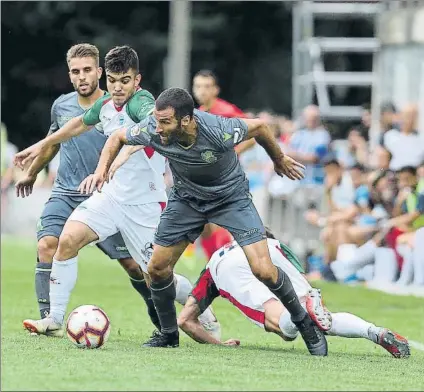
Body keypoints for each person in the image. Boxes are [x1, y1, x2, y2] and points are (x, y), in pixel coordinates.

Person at [87, 87, 328, 355]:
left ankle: (304, 322)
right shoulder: (152, 129)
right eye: (156, 121)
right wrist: (101, 170)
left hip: (231, 199)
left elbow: (260, 127)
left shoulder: (218, 129)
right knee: (156, 268)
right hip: (187, 200)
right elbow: (117, 138)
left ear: (187, 120)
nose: (158, 128)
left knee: (263, 270)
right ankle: (168, 335)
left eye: (165, 122)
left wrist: (278, 159)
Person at [16, 47, 219, 337]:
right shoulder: (107, 104)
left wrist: (120, 157)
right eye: (112, 80)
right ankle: (54, 318)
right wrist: (38, 146)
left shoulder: (143, 102)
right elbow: (76, 125)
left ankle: (202, 306)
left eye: (125, 80)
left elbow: (152, 127)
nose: (117, 87)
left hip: (144, 203)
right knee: (67, 239)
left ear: (137, 80)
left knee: (156, 274)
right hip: (110, 197)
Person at [13, 44, 155, 330]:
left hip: (107, 196)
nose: (82, 77)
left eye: (88, 70)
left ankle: (160, 316)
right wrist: (32, 172)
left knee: (135, 266)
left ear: (100, 72)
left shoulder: (118, 105)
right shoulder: (61, 106)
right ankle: (48, 318)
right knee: (47, 245)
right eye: (76, 72)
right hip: (66, 192)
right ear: (69, 75)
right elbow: (53, 142)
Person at [177, 229, 410, 359]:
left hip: (229, 266)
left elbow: (186, 321)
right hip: (270, 247)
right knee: (318, 316)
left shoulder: (214, 265)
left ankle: (301, 312)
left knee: (283, 325)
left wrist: (218, 345)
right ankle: (375, 332)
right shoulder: (272, 241)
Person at [192, 69, 252, 260]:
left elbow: (253, 133)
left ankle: (225, 265)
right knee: (204, 226)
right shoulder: (199, 113)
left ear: (216, 90)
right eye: (198, 86)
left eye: (207, 86)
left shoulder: (226, 111)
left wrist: (232, 152)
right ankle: (216, 266)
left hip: (224, 177)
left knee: (217, 222)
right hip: (206, 177)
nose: (202, 91)